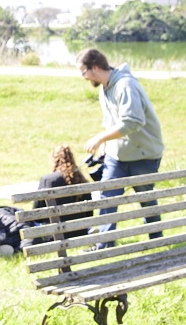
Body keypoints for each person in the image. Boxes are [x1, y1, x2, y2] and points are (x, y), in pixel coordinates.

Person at [77, 48, 164, 250]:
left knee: (145, 197)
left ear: (95, 68)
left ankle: (157, 239)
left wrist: (100, 138)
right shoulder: (104, 88)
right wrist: (106, 144)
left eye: (84, 72)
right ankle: (103, 245)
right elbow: (112, 123)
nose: (83, 77)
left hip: (144, 154)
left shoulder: (125, 85)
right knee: (107, 196)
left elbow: (133, 122)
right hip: (118, 156)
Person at [32, 144, 92, 240]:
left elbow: (37, 213)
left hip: (55, 234)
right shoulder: (81, 179)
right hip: (81, 231)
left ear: (54, 160)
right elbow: (89, 213)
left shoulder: (48, 180)